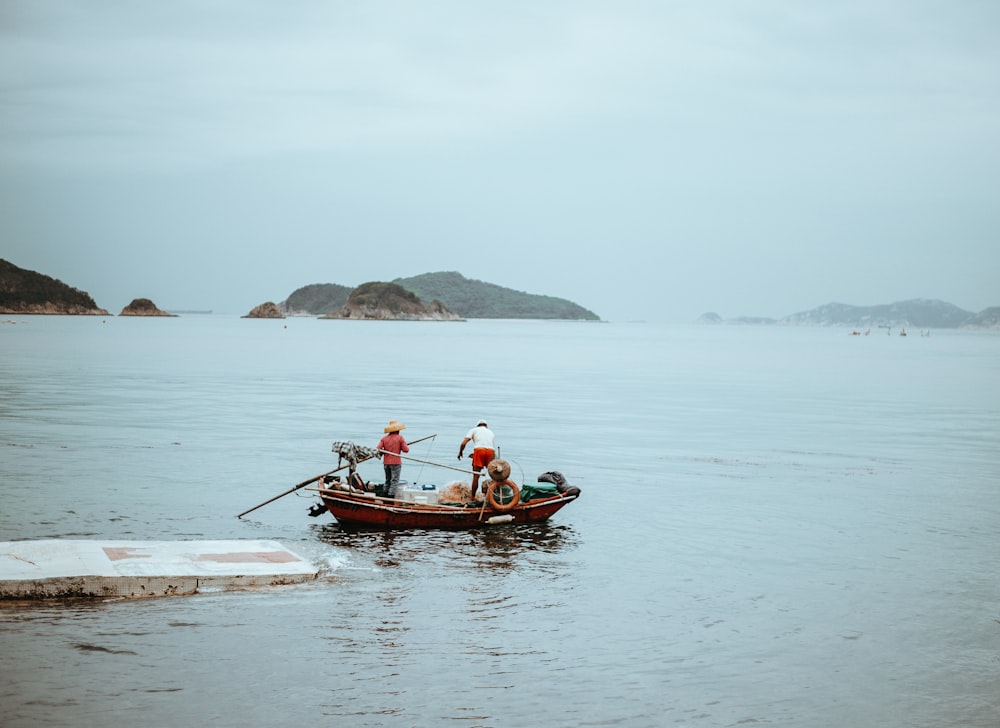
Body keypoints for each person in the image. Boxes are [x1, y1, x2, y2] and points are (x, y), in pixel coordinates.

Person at [457, 420, 496, 501]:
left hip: (479, 451)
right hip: (491, 452)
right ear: (486, 426)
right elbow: (487, 446)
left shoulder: (474, 430)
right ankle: (495, 496)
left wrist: (460, 452)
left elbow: (463, 443)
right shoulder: (490, 432)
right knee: (494, 476)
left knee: (476, 476)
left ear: (478, 426)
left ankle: (473, 497)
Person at [377, 420, 409, 498]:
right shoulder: (400, 438)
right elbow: (406, 450)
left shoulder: (384, 439)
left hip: (386, 462)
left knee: (388, 479)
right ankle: (390, 496)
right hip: (396, 462)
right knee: (394, 480)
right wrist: (400, 446)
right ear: (397, 430)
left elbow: (378, 449)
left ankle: (385, 493)